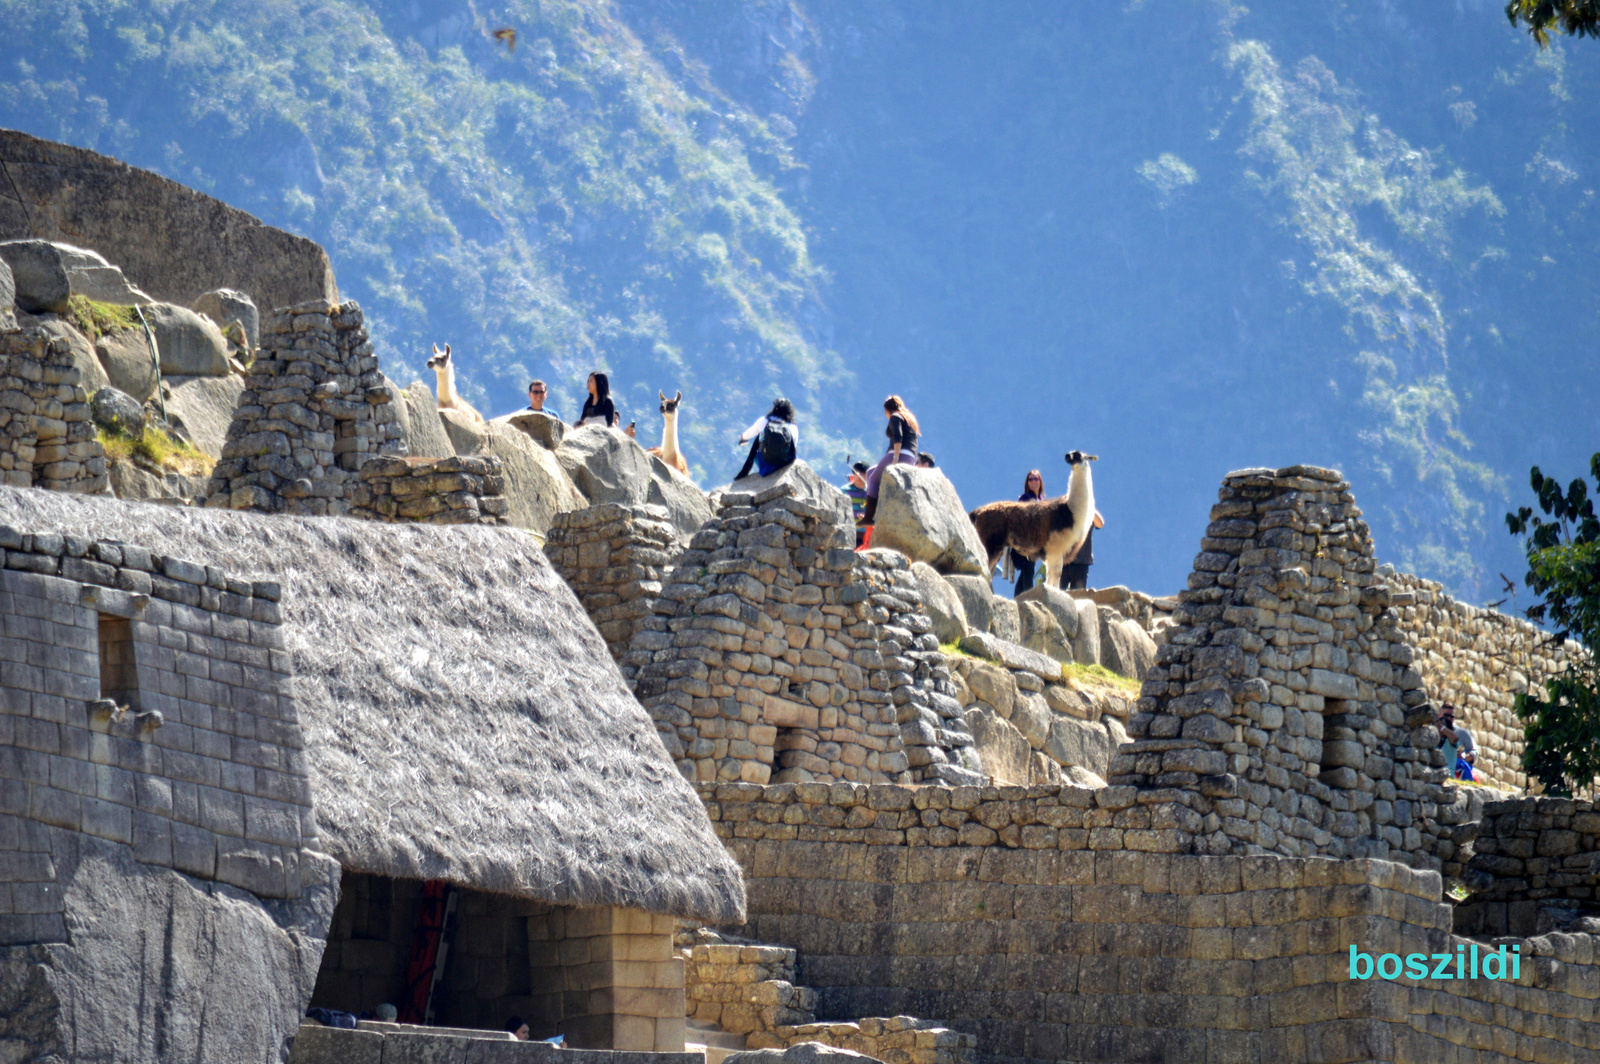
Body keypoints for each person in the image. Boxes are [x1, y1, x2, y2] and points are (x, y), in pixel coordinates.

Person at [858, 395, 920, 550]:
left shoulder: (895, 417)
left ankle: (869, 516)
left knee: (872, 479)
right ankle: (875, 509)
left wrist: (896, 456)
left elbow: (898, 437)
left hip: (899, 454)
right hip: (910, 457)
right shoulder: (908, 418)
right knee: (872, 470)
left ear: (887, 409)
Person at [734, 399, 798, 479]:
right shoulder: (792, 427)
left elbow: (748, 434)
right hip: (784, 463)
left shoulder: (764, 421)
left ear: (774, 409)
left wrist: (742, 437)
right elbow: (793, 448)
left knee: (756, 450)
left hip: (766, 463)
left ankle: (765, 470)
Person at [1011, 470, 1045, 596]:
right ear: (1027, 483)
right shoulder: (1025, 498)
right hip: (1023, 542)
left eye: (1036, 478)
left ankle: (1017, 599)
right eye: (1031, 479)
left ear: (1040, 481)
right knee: (1028, 568)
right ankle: (1029, 599)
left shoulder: (1041, 500)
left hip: (1034, 543)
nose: (1034, 481)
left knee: (1027, 569)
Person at [1058, 510, 1106, 590]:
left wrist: (1089, 506)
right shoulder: (1065, 510)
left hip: (1082, 563)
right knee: (1057, 593)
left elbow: (1100, 524)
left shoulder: (1088, 513)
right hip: (1063, 561)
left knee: (1078, 596)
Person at [1438, 704, 1477, 780]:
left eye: (1451, 717)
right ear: (1439, 714)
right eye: (1446, 715)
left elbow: (1474, 752)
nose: (1449, 718)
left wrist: (1463, 756)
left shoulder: (1461, 733)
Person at [844, 461, 869, 547]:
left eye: (862, 474)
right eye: (856, 473)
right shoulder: (845, 491)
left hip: (866, 536)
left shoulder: (871, 493)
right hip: (848, 532)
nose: (858, 476)